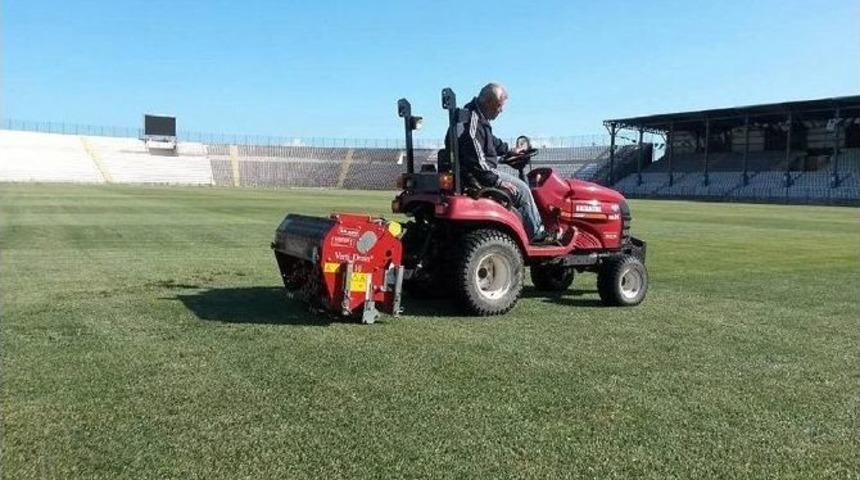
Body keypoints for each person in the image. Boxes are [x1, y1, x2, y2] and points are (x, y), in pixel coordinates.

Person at [453, 82, 555, 243]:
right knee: (523, 190)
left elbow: (490, 142)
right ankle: (536, 234)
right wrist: (498, 181)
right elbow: (477, 162)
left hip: (477, 173)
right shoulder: (472, 122)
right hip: (479, 177)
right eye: (499, 106)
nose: (501, 110)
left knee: (518, 188)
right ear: (487, 102)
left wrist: (509, 150)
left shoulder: (477, 118)